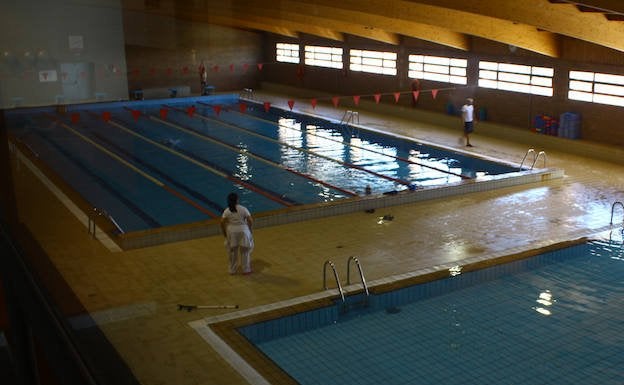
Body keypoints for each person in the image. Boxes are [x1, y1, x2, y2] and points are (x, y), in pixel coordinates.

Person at [220, 193, 254, 275]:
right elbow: (250, 220)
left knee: (232, 252)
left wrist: (224, 232)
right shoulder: (243, 209)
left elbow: (222, 222)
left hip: (231, 231)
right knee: (245, 251)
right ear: (237, 200)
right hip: (243, 230)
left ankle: (232, 270)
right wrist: (249, 229)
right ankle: (246, 269)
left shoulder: (227, 211)